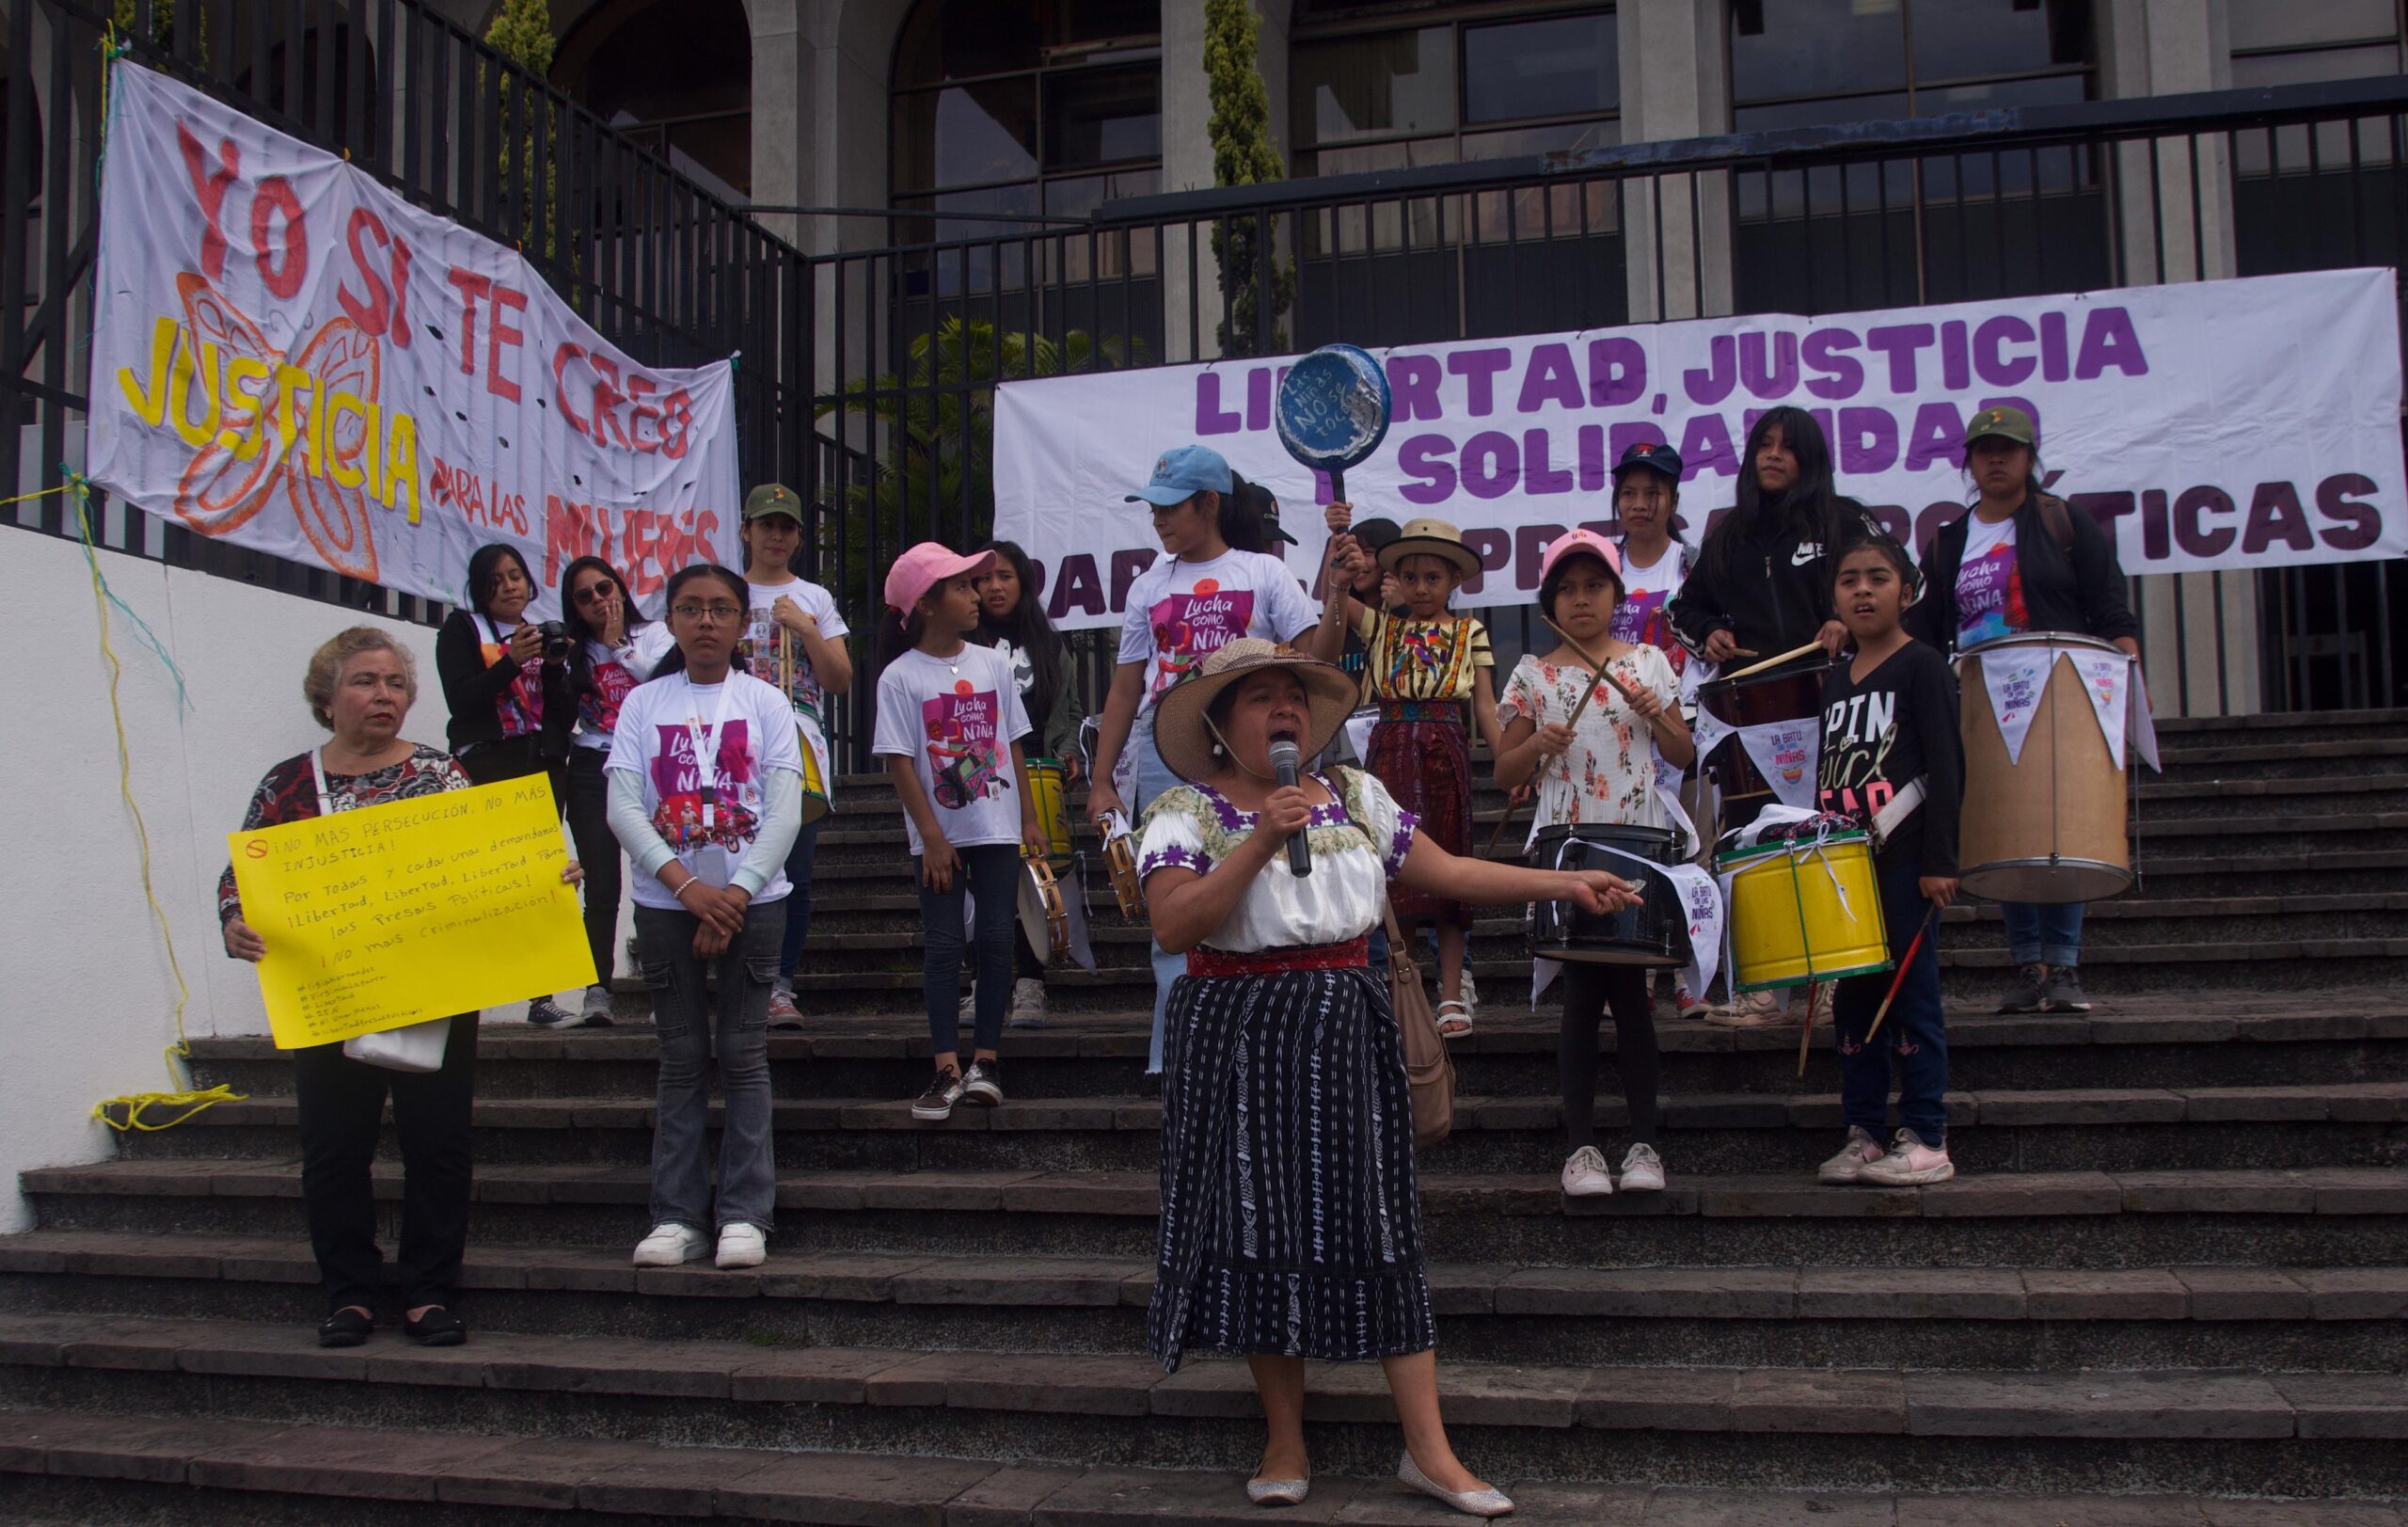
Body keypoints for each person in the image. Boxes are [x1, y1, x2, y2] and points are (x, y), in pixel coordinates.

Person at [1138, 639, 1636, 1517]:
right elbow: (1176, 923)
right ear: (1219, 722)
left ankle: (1429, 1450)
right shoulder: (1185, 810)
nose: (1283, 709)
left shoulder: (1355, 794)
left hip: (1347, 1022)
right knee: (1257, 1224)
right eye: (1260, 697)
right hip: (1235, 1029)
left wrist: (1564, 880)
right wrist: (1260, 840)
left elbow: (1445, 872)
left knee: (1383, 1226)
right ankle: (1285, 1437)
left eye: (1293, 694)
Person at [220, 626, 582, 1348]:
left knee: (438, 1142)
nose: (382, 695)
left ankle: (428, 1290)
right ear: (327, 697)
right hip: (331, 991)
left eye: (394, 683)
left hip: (434, 988)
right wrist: (234, 922)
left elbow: (482, 865)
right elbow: (243, 878)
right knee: (333, 1147)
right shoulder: (287, 783)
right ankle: (349, 1292)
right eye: (363, 681)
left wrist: (541, 874)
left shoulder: (442, 773)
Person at [1085, 445, 1330, 1074]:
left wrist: (1345, 590)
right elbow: (1124, 687)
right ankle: (1182, 1055)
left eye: (1170, 506)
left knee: (1258, 890)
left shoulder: (1264, 572)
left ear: (1210, 504)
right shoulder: (1149, 585)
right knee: (1174, 903)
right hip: (1169, 758)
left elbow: (1312, 661)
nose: (1159, 519)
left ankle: (1260, 1042)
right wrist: (1101, 780)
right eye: (1153, 508)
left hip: (1249, 760)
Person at [1909, 406, 2140, 1016]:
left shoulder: (2063, 522)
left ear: (2029, 459)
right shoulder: (1949, 540)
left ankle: (2063, 964)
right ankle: (2026, 963)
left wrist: (2126, 675)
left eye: (2008, 450)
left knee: (2058, 826)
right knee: (2008, 825)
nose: (1996, 460)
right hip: (1984, 706)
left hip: (2061, 696)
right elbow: (1926, 630)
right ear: (1969, 462)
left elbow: (2110, 606)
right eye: (1985, 450)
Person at [608, 565, 806, 1271]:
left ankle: (746, 1213)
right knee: (683, 1057)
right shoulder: (642, 704)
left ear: (742, 622)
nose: (706, 622)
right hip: (667, 904)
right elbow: (624, 806)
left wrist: (738, 891)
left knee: (745, 1054)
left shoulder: (765, 702)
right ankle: (677, 1215)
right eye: (691, 608)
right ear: (671, 620)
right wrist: (691, 888)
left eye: (722, 609)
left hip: (757, 901)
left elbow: (785, 805)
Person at [1493, 531, 1695, 1198]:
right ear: (1551, 599)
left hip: (1637, 842)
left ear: (1616, 594)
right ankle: (1579, 1146)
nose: (1582, 600)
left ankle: (1645, 1145)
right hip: (1568, 849)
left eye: (1595, 586)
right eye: (1568, 589)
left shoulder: (1648, 663)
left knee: (1634, 998)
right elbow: (1505, 768)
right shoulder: (1531, 675)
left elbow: (1685, 753)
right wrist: (1537, 746)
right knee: (1580, 995)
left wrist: (1655, 716)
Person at [1670, 409, 1879, 1026]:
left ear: (1810, 460)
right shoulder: (1731, 533)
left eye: (1788, 447)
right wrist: (1708, 632)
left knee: (1831, 834)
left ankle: (1836, 981)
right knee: (1751, 842)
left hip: (1830, 700)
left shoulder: (1845, 519)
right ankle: (1763, 988)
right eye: (1764, 443)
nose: (1773, 455)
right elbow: (1688, 608)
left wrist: (1847, 617)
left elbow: (1900, 580)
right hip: (1749, 713)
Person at [1814, 533, 1964, 1187]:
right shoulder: (1833, 680)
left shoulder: (1923, 665)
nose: (1863, 590)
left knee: (1910, 998)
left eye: (1878, 578)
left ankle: (1927, 1133)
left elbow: (1948, 766)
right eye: (1849, 579)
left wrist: (1941, 861)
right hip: (1848, 871)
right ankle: (1866, 1128)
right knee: (1854, 1002)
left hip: (1906, 860)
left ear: (1907, 591)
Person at [875, 543, 1044, 1121]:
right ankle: (946, 1069)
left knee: (997, 939)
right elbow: (899, 761)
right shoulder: (899, 678)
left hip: (995, 826)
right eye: (963, 587)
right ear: (925, 604)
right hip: (939, 833)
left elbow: (1014, 742)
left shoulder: (993, 663)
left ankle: (986, 1061)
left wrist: (1027, 817)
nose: (977, 596)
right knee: (946, 945)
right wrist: (932, 836)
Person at [1315, 510, 1499, 1037]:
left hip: (1446, 747)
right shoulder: (1380, 626)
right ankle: (1406, 992)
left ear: (1455, 581)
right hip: (1390, 748)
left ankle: (1449, 995)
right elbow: (1334, 600)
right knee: (1394, 875)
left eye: (1433, 578)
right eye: (1412, 577)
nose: (1421, 588)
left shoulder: (1471, 631)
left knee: (1450, 869)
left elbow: (1485, 708)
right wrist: (1338, 548)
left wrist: (1513, 758)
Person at [436, 542, 578, 1025]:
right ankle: (468, 987)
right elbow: (462, 701)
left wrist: (558, 670)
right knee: (487, 880)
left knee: (541, 878)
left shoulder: (538, 634)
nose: (510, 585)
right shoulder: (462, 629)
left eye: (516, 574)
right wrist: (511, 661)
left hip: (542, 763)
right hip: (490, 763)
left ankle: (541, 998)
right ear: (480, 588)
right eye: (497, 579)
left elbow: (564, 715)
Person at [737, 483, 852, 1026]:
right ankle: (735, 980)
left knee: (795, 870)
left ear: (799, 537)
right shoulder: (725, 593)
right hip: (733, 741)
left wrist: (805, 627)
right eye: (766, 525)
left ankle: (780, 983)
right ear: (747, 531)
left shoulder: (815, 597)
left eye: (786, 526)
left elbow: (839, 679)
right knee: (732, 859)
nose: (776, 535)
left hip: (797, 739)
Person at [1607, 441, 1713, 1022]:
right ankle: (1639, 974)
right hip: (1617, 734)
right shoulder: (1601, 562)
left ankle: (1689, 977)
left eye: (1653, 493)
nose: (1641, 504)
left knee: (1690, 852)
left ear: (1672, 499)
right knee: (1632, 853)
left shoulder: (1694, 565)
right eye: (1630, 493)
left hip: (1684, 723)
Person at [967, 539, 1087, 1027]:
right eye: (984, 579)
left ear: (1024, 583)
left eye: (1006, 577)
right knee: (984, 884)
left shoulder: (1049, 642)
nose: (995, 587)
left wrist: (1068, 752)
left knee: (1034, 885)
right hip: (978, 773)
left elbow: (1070, 710)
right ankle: (982, 986)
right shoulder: (962, 640)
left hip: (1035, 769)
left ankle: (1031, 986)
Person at [560, 556, 675, 1026]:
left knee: (657, 877)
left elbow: (668, 684)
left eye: (603, 589)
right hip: (592, 764)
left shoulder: (654, 636)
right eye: (584, 597)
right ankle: (597, 990)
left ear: (620, 589)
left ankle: (664, 990)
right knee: (603, 884)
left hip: (649, 765)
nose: (598, 601)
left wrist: (620, 648)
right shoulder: (573, 650)